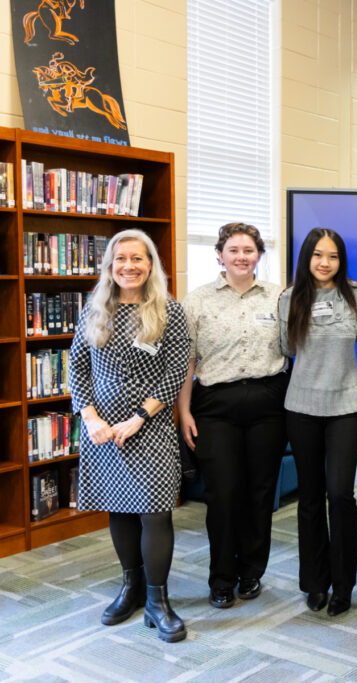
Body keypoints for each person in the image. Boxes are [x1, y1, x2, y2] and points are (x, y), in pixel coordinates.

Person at [68, 229, 190, 642]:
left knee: (155, 512)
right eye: (120, 259)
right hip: (102, 430)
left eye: (138, 258)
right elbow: (77, 367)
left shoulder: (168, 311)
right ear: (110, 266)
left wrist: (139, 417)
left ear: (151, 264)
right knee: (119, 509)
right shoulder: (95, 308)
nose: (129, 266)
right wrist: (90, 418)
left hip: (148, 428)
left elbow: (176, 372)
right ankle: (131, 587)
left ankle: (158, 600)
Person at [177, 222, 288, 610]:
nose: (242, 257)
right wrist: (185, 411)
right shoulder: (197, 301)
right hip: (215, 406)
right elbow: (186, 361)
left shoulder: (279, 297)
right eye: (234, 250)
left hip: (267, 402)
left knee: (260, 493)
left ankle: (251, 572)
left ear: (260, 255)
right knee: (222, 495)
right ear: (220, 255)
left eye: (249, 250)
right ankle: (221, 578)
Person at [279, 228, 357, 616]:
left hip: (345, 409)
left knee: (340, 495)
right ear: (307, 258)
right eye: (318, 255)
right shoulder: (290, 298)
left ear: (341, 260)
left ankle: (343, 584)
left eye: (332, 256)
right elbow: (286, 348)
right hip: (301, 406)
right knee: (310, 499)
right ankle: (314, 583)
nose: (324, 262)